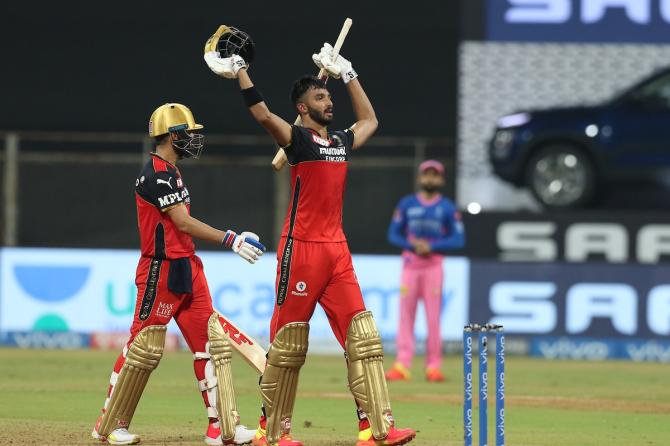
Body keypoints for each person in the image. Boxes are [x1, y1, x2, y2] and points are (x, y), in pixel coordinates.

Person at [204, 31, 416, 446]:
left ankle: (375, 429)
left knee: (363, 338)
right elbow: (264, 115)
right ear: (303, 108)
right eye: (320, 97)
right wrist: (241, 72)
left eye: (329, 95)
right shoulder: (297, 140)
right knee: (288, 347)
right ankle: (272, 430)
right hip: (300, 249)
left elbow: (371, 121)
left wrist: (349, 74)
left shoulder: (339, 141)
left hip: (337, 251)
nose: (329, 101)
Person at [91, 103, 266, 446]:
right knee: (142, 348)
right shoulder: (157, 174)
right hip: (161, 269)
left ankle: (221, 429)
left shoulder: (171, 171)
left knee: (210, 347)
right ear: (173, 136)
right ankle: (109, 424)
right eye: (188, 134)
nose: (194, 140)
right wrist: (229, 238)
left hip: (187, 266)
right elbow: (182, 222)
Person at [385, 160, 465, 383]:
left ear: (441, 180)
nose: (430, 179)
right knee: (406, 316)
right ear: (420, 178)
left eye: (435, 175)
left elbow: (458, 238)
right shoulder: (407, 204)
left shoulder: (447, 207)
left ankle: (433, 367)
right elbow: (393, 235)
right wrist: (414, 246)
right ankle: (402, 365)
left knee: (433, 318)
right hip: (411, 266)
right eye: (427, 175)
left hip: (433, 267)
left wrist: (432, 247)